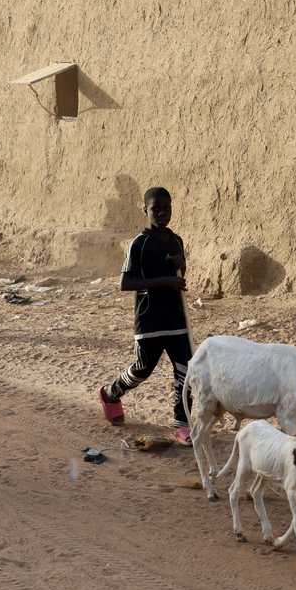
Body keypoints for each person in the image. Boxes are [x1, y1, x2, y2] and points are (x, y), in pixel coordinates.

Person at [98, 186, 194, 444]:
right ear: (146, 210)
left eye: (167, 208)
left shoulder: (176, 240)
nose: (162, 213)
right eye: (156, 209)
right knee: (142, 369)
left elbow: (179, 275)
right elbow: (126, 283)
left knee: (186, 370)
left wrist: (179, 266)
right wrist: (164, 281)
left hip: (176, 319)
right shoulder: (139, 243)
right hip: (150, 320)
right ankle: (111, 393)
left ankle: (182, 424)